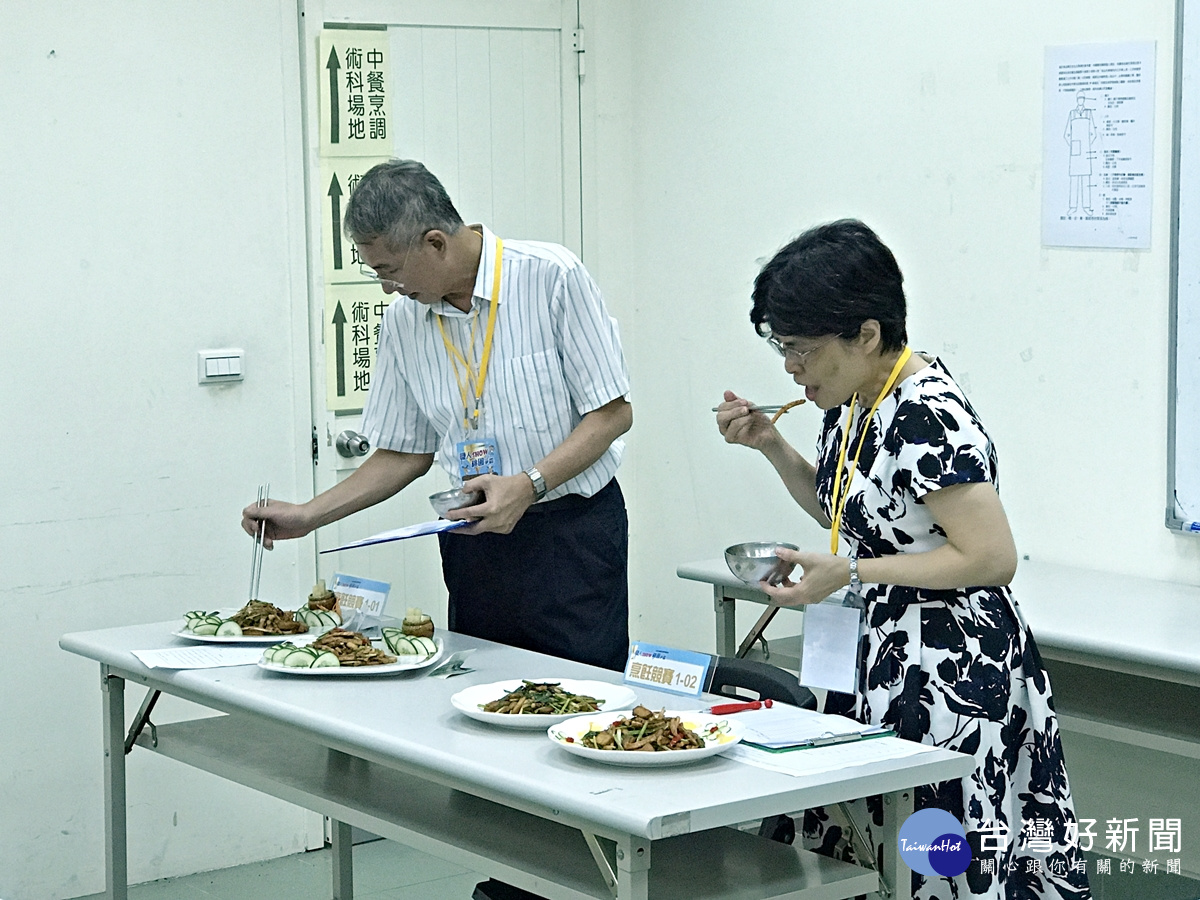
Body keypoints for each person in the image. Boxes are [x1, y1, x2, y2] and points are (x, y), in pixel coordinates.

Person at [715, 220, 1091, 900]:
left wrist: (855, 573)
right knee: (875, 850)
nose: (790, 368)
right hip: (884, 650)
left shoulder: (928, 415)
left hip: (950, 669)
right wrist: (771, 444)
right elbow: (847, 511)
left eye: (801, 349)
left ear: (865, 333)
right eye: (782, 348)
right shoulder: (857, 399)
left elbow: (991, 557)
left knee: (939, 857)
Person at [243, 159, 632, 675]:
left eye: (389, 270)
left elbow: (611, 414)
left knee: (579, 696)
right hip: (475, 544)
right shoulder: (406, 319)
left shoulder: (550, 276)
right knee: (483, 696)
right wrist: (309, 516)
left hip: (571, 536)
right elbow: (405, 451)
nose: (387, 288)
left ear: (434, 243)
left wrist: (530, 484)